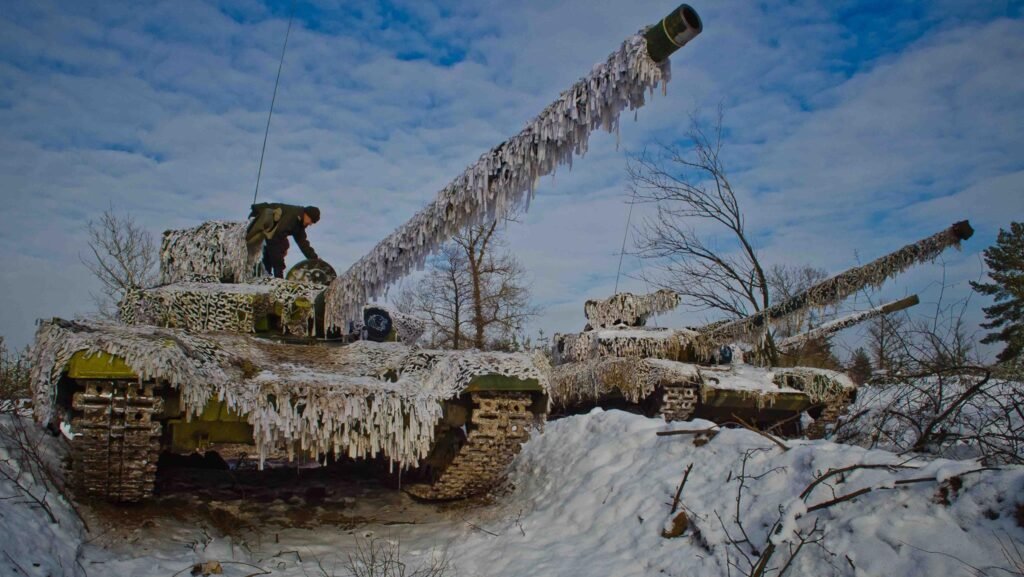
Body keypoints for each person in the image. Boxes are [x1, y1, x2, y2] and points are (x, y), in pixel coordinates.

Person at [246, 203, 320, 278]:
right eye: (311, 220)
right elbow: (275, 237)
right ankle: (271, 275)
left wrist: (315, 260)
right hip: (259, 218)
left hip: (271, 231)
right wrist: (279, 269)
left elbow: (304, 244)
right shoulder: (293, 215)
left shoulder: (299, 224)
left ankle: (266, 272)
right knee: (279, 247)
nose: (310, 224)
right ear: (307, 214)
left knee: (281, 246)